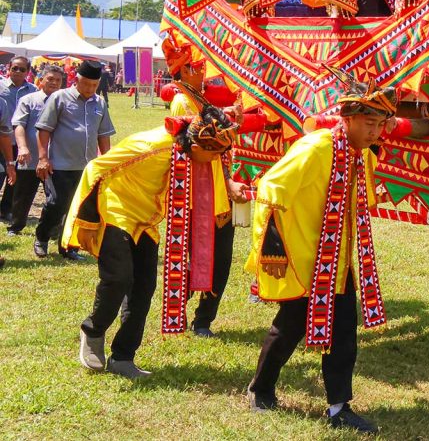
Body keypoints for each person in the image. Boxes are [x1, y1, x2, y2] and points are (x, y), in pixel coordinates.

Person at [245, 75, 396, 434]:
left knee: (344, 331)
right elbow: (271, 186)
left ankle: (338, 406)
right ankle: (260, 388)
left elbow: (363, 200)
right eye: (368, 123)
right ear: (348, 119)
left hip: (338, 259)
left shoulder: (360, 156)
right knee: (290, 327)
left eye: (379, 124)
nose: (375, 131)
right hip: (305, 255)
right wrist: (274, 245)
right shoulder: (317, 147)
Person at [62, 102, 239, 379]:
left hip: (146, 220)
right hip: (116, 211)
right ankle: (93, 331)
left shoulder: (195, 155)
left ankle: (123, 356)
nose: (218, 157)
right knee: (118, 278)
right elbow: (95, 168)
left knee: (144, 286)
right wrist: (85, 218)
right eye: (215, 152)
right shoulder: (150, 146)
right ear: (196, 146)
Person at [163, 37, 251, 336]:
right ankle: (184, 312)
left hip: (219, 193)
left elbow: (219, 143)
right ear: (185, 70)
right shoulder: (181, 100)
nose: (205, 70)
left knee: (221, 261)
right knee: (196, 258)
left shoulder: (202, 99)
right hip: (195, 195)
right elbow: (192, 147)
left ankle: (203, 319)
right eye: (199, 66)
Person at [34, 59, 115, 260]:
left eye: (94, 85)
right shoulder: (59, 98)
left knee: (77, 208)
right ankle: (42, 238)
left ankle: (68, 247)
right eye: (86, 84)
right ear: (76, 80)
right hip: (59, 164)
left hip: (87, 167)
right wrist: (43, 158)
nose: (90, 89)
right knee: (57, 204)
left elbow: (103, 135)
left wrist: (106, 162)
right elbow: (44, 129)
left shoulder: (100, 102)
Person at [7, 65, 64, 237]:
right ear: (41, 80)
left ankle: (52, 229)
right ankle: (15, 227)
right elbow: (18, 125)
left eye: (58, 80)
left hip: (55, 160)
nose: (54, 83)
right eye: (50, 79)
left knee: (56, 198)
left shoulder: (65, 102)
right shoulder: (28, 100)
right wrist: (22, 147)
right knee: (22, 196)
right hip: (30, 158)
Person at [0, 55, 37, 223]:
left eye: (22, 69)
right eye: (14, 68)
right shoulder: (0, 86)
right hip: (1, 138)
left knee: (14, 177)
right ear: (9, 68)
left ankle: (5, 209)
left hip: (20, 142)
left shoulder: (33, 91)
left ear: (27, 72)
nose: (17, 72)